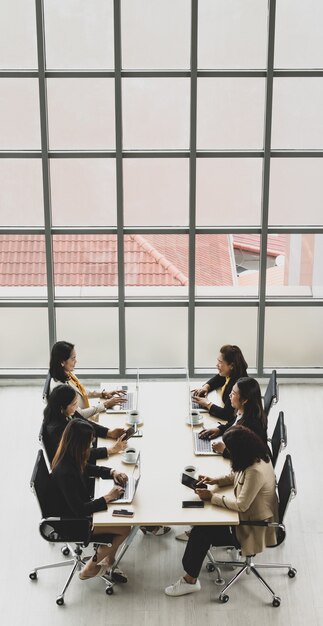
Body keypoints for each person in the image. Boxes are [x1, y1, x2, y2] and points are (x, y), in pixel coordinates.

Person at [165, 426, 277, 596]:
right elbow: (237, 475)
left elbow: (241, 506)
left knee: (201, 531)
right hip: (249, 516)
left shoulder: (255, 471)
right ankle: (191, 576)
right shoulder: (257, 457)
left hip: (252, 527)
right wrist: (214, 480)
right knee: (203, 524)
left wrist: (212, 497)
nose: (228, 452)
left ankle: (190, 581)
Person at [51, 418, 131, 581]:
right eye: (89, 442)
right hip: (75, 522)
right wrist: (108, 497)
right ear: (79, 444)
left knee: (120, 520)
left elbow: (86, 468)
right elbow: (79, 509)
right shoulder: (65, 472)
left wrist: (112, 472)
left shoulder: (69, 456)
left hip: (77, 510)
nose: (91, 444)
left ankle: (108, 559)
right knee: (124, 528)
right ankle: (91, 567)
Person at [42, 384, 127, 464]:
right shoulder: (57, 430)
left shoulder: (64, 412)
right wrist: (111, 450)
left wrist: (109, 432)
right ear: (62, 407)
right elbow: (79, 454)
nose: (76, 408)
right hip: (75, 467)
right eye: (74, 404)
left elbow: (85, 423)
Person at [49, 341, 127, 420]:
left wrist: (103, 394)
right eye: (73, 358)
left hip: (87, 416)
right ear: (62, 362)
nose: (76, 361)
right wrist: (105, 405)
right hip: (81, 422)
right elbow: (80, 414)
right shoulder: (61, 389)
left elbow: (81, 392)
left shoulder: (66, 373)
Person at [199, 377, 268, 456]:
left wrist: (224, 450)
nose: (230, 395)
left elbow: (247, 456)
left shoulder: (251, 425)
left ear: (244, 400)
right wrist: (219, 429)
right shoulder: (244, 410)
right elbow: (233, 424)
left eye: (234, 393)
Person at [192, 345, 248, 422]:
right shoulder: (233, 373)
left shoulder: (237, 386)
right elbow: (219, 378)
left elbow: (227, 414)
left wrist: (207, 404)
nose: (217, 365)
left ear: (231, 365)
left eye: (220, 362)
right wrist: (206, 387)